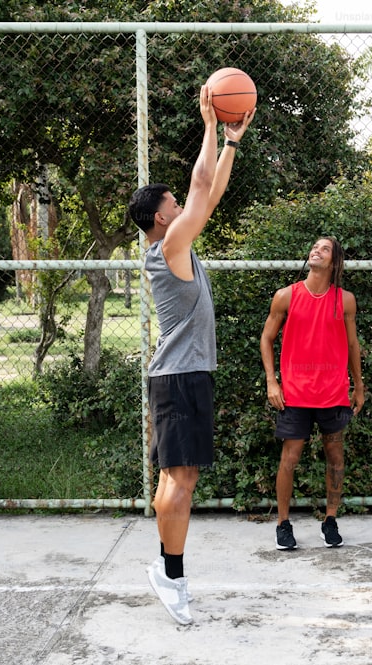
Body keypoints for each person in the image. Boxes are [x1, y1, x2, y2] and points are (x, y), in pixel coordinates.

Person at [127, 86, 254, 624]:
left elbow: (209, 192)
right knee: (180, 482)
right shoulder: (168, 250)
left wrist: (231, 144)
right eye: (173, 206)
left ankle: (164, 567)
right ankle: (172, 575)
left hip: (183, 376)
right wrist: (209, 126)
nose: (181, 207)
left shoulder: (175, 244)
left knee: (174, 481)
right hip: (180, 378)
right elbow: (201, 189)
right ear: (160, 221)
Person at [260, 237, 365, 550]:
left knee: (335, 456)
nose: (316, 251)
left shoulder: (344, 300)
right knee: (289, 458)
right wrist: (271, 381)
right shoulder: (286, 296)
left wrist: (358, 385)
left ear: (333, 262)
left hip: (333, 394)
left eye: (325, 249)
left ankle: (330, 519)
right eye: (314, 247)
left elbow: (352, 345)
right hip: (294, 394)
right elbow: (266, 340)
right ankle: (283, 523)